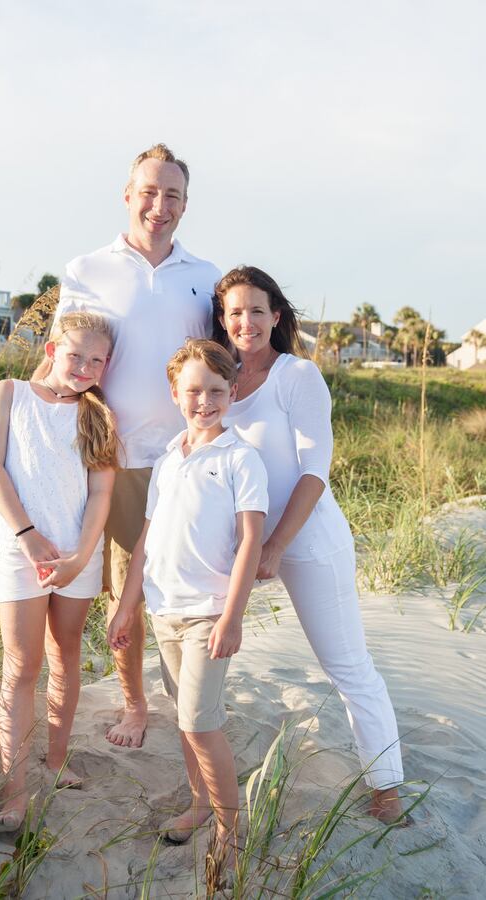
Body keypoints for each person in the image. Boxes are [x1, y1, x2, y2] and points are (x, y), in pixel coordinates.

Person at [212, 266, 406, 824]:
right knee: (205, 645)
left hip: (306, 537)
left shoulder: (297, 375)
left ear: (275, 316)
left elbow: (313, 472)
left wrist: (275, 546)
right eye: (234, 312)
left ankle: (388, 791)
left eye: (255, 310)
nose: (244, 322)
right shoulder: (219, 379)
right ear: (222, 320)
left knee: (347, 666)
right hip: (243, 540)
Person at [55, 143, 220, 748]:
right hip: (111, 460)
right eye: (149, 192)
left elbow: (220, 367)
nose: (160, 205)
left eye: (172, 194)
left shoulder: (205, 277)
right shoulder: (85, 270)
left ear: (184, 204)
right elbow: (64, 364)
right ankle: (133, 703)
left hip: (183, 457)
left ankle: (191, 707)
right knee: (123, 590)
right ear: (128, 196)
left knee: (181, 588)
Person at [108, 339, 267, 872]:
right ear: (175, 394)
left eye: (216, 391)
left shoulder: (242, 458)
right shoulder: (168, 458)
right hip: (164, 609)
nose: (205, 401)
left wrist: (233, 617)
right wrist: (127, 607)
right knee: (183, 718)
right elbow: (145, 542)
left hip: (209, 613)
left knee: (200, 722)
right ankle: (200, 803)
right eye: (194, 391)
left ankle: (229, 824)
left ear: (233, 391)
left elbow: (250, 543)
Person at [0, 311, 118, 831]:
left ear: (107, 365)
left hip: (78, 556)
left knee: (67, 654)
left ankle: (57, 762)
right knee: (21, 667)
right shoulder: (10, 393)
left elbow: (101, 491)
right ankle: (15, 794)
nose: (83, 366)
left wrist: (81, 557)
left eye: (96, 360)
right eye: (75, 354)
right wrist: (28, 536)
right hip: (23, 551)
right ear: (52, 349)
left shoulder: (99, 414)